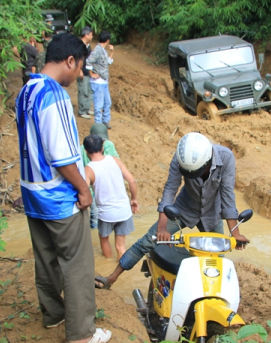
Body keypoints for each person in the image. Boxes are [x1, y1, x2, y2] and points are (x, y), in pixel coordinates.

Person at [15, 32, 111, 343]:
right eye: (80, 66)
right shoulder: (54, 95)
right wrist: (83, 189)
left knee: (46, 260)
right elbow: (62, 156)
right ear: (70, 60)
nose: (80, 73)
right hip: (58, 196)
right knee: (78, 263)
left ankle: (53, 313)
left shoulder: (27, 89)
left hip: (32, 193)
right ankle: (81, 332)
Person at [96, 132, 249, 289]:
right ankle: (111, 279)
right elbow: (170, 191)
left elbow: (227, 196)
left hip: (212, 213)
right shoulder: (179, 158)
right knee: (148, 240)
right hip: (183, 209)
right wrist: (162, 228)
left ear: (207, 161)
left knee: (217, 257)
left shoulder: (226, 158)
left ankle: (214, 294)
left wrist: (235, 233)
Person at [84, 134, 138, 260]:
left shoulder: (89, 169)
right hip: (124, 211)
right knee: (120, 246)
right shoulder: (114, 159)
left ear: (86, 151)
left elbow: (84, 191)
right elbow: (132, 181)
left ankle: (107, 263)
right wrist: (134, 200)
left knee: (104, 239)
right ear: (102, 148)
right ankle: (122, 270)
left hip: (106, 214)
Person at [81, 123, 120, 230]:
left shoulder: (109, 145)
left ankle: (101, 237)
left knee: (107, 214)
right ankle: (96, 235)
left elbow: (116, 162)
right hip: (91, 188)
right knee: (95, 215)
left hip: (106, 187)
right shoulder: (82, 150)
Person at [85, 30, 114, 128]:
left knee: (107, 102)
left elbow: (107, 62)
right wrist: (91, 74)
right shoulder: (97, 50)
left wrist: (112, 52)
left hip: (103, 81)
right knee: (99, 105)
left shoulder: (103, 50)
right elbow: (88, 61)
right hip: (98, 82)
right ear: (107, 40)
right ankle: (98, 125)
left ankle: (105, 121)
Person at [77, 27, 94, 119]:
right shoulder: (79, 45)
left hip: (88, 72)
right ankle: (82, 110)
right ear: (86, 35)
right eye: (91, 34)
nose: (92, 36)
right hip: (82, 71)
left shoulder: (88, 46)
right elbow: (77, 59)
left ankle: (87, 108)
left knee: (88, 90)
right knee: (83, 91)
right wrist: (79, 70)